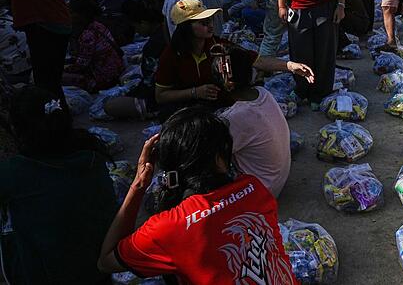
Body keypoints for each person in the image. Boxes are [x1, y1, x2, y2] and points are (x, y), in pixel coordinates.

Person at [97, 108, 297, 283]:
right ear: (221, 155)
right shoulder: (254, 188)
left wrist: (138, 185)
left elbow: (106, 262)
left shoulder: (169, 227)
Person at [1, 86, 117, 284]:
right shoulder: (91, 154)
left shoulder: (17, 171)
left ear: (17, 130)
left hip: (49, 275)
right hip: (100, 269)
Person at [155, 0, 313, 118]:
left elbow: (258, 60)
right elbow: (161, 96)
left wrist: (291, 66)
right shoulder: (171, 55)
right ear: (185, 28)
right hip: (190, 108)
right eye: (203, 23)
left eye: (209, 20)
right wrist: (195, 92)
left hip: (219, 105)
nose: (209, 25)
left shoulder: (217, 44)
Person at [218, 49, 291, 197]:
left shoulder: (234, 117)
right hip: (277, 180)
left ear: (227, 83)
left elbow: (218, 163)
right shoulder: (262, 93)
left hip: (261, 192)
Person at [103, 0, 167, 119]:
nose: (136, 31)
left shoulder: (154, 44)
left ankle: (153, 112)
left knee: (109, 106)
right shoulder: (163, 33)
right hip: (164, 91)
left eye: (136, 27)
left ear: (143, 23)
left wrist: (133, 94)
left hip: (159, 97)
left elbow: (150, 82)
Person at [62, 0, 124, 93]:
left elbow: (81, 65)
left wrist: (65, 69)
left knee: (57, 77)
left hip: (105, 78)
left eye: (71, 12)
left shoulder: (87, 35)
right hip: (116, 69)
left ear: (81, 15)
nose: (69, 16)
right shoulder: (97, 25)